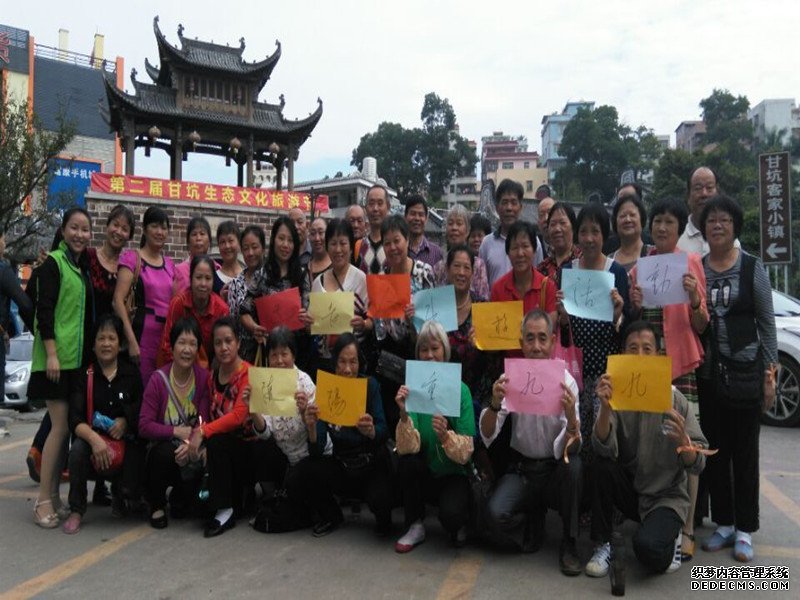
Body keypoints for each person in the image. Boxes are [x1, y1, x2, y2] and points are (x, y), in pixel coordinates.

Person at [586, 320, 709, 576]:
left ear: (658, 355)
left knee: (649, 552)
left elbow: (699, 459)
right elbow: (602, 448)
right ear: (622, 354)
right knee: (599, 465)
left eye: (647, 349)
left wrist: (683, 444)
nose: (640, 355)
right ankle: (603, 544)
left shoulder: (675, 399)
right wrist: (605, 409)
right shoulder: (614, 396)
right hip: (631, 490)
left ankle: (671, 535)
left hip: (665, 497)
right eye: (632, 348)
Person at [697, 195, 777, 563]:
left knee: (745, 454)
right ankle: (724, 523)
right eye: (711, 220)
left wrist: (770, 374)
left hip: (746, 372)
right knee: (717, 452)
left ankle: (745, 527)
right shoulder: (698, 268)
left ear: (734, 227)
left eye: (724, 220)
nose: (717, 225)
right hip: (712, 375)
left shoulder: (751, 267)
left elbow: (767, 323)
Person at [629, 198, 709, 560]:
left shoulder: (690, 263)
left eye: (669, 223)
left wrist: (694, 299)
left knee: (687, 442)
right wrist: (630, 302)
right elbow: (633, 321)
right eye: (657, 221)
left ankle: (688, 525)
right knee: (649, 440)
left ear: (679, 229)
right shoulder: (642, 266)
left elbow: (702, 324)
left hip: (680, 364)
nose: (662, 228)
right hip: (647, 366)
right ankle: (653, 511)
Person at [481, 309, 582, 575]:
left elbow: (572, 447)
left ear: (552, 341)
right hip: (523, 470)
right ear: (521, 341)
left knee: (574, 468)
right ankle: (529, 523)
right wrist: (493, 403)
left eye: (542, 338)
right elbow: (488, 433)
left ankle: (569, 543)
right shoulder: (510, 378)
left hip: (554, 470)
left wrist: (572, 419)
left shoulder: (566, 382)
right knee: (493, 515)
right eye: (529, 339)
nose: (536, 346)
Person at [30, 208, 94, 528]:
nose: (80, 234)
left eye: (85, 230)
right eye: (74, 228)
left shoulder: (79, 268)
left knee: (65, 428)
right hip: (55, 360)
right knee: (58, 428)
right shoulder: (53, 263)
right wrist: (51, 352)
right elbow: (44, 310)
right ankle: (42, 500)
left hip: (73, 361)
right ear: (64, 230)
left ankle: (54, 496)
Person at [293, 334, 392, 536]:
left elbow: (384, 432)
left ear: (360, 363)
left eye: (353, 362)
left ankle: (383, 517)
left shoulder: (369, 386)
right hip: (342, 465)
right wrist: (311, 426)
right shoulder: (327, 390)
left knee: (381, 500)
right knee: (303, 471)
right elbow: (316, 451)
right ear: (335, 363)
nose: (347, 369)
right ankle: (331, 515)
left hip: (370, 463)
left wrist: (371, 431)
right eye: (342, 362)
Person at [558, 204, 630, 469]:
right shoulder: (567, 271)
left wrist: (618, 315)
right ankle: (582, 499)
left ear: (604, 235)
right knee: (578, 431)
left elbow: (626, 326)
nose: (588, 238)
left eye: (595, 231)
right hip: (574, 367)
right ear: (577, 235)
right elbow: (562, 333)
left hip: (606, 369)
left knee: (604, 433)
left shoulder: (616, 272)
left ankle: (602, 502)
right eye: (583, 231)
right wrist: (563, 319)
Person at [394, 321, 475, 552]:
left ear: (445, 351)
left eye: (435, 348)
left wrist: (445, 437)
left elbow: (467, 451)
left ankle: (459, 520)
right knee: (407, 463)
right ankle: (415, 525)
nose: (429, 355)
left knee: (452, 519)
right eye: (424, 349)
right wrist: (403, 413)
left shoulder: (461, 390)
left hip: (453, 473)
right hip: (425, 470)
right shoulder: (413, 389)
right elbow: (407, 448)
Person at [63, 314, 144, 534]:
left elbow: (141, 412)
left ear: (120, 344)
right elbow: (75, 419)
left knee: (140, 448)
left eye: (111, 338)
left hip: (124, 444)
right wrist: (95, 440)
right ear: (93, 343)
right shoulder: (85, 374)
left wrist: (125, 421)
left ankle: (123, 493)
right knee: (78, 448)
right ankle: (77, 509)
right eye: (101, 338)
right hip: (94, 446)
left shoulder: (131, 374)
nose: (106, 343)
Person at [250, 326, 330, 532]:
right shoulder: (266, 383)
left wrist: (305, 412)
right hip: (286, 455)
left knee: (298, 478)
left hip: (310, 455)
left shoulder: (304, 382)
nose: (279, 360)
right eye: (274, 355)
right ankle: (275, 497)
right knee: (259, 449)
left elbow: (317, 435)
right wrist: (253, 410)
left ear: (293, 355)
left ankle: (307, 503)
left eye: (284, 354)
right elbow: (265, 432)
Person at [139, 318, 210, 529]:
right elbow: (144, 425)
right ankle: (156, 504)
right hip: (165, 451)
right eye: (182, 343)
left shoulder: (203, 377)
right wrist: (176, 431)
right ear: (172, 345)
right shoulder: (158, 380)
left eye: (192, 344)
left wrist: (190, 443)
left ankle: (180, 497)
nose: (187, 349)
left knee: (191, 510)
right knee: (163, 454)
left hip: (190, 451)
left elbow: (204, 420)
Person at [186, 317, 252, 537]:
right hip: (219, 451)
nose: (223, 347)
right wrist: (198, 435)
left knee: (218, 440)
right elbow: (206, 413)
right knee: (190, 510)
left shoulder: (248, 373)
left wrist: (204, 432)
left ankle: (226, 511)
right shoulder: (213, 376)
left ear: (238, 343)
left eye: (228, 341)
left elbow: (238, 416)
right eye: (218, 343)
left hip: (247, 447)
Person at [375, 215, 435, 430]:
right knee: (395, 418)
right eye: (387, 243)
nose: (392, 247)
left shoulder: (423, 272)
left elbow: (434, 323)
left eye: (397, 240)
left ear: (407, 240)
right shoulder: (381, 277)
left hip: (419, 354)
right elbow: (379, 331)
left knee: (418, 419)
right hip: (391, 361)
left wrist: (415, 320)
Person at [113, 206, 175, 389]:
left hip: (164, 340)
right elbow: (118, 301)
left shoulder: (170, 265)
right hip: (141, 337)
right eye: (155, 226)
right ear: (145, 229)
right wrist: (131, 341)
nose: (159, 232)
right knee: (140, 391)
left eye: (164, 228)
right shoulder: (132, 259)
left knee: (161, 392)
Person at [239, 217, 311, 366]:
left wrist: (307, 318)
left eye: (290, 240)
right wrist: (254, 328)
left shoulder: (303, 274)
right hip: (269, 352)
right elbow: (243, 310)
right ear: (273, 240)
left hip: (297, 353)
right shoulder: (262, 274)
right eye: (281, 238)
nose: (285, 245)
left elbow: (309, 315)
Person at [310, 219, 371, 365]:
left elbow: (373, 321)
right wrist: (307, 322)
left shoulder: (361, 279)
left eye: (343, 243)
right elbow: (313, 326)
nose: (338, 250)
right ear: (327, 247)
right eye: (333, 243)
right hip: (324, 362)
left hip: (351, 363)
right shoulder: (318, 282)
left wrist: (363, 324)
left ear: (351, 247)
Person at [159, 256, 229, 368]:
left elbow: (223, 350)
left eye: (208, 278)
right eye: (198, 277)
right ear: (190, 279)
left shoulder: (222, 310)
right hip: (178, 368)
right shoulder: (178, 303)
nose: (203, 284)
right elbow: (167, 345)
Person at [491, 220, 558, 330]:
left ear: (534, 250)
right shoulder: (498, 289)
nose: (520, 253)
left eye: (525, 246)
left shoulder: (548, 287)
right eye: (515, 248)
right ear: (508, 253)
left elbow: (549, 333)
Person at [86, 205, 136, 318]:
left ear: (129, 236)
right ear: (107, 226)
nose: (118, 232)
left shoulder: (126, 269)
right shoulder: (88, 257)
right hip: (85, 331)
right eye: (115, 225)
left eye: (124, 229)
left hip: (114, 334)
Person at [433, 204, 490, 301]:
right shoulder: (438, 267)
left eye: (459, 224)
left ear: (467, 231)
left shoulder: (478, 265)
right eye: (450, 223)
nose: (454, 228)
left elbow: (484, 302)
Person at [227, 225, 266, 362]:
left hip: (269, 351)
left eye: (255, 247)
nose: (250, 253)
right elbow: (232, 322)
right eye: (245, 248)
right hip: (243, 355)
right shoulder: (235, 284)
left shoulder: (272, 277)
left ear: (263, 248)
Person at [479, 179, 525, 287]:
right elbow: (482, 284)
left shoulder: (533, 243)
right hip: (495, 303)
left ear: (520, 208)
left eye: (514, 203)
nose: (509, 208)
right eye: (504, 202)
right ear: (497, 208)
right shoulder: (486, 243)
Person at [537, 202, 582, 285]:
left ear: (573, 226)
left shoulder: (584, 262)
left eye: (562, 223)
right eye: (553, 224)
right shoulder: (542, 268)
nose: (557, 229)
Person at [608, 190, 651, 273]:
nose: (628, 220)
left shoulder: (654, 254)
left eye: (632, 215)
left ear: (641, 219)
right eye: (623, 216)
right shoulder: (608, 262)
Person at [173, 216, 214, 295]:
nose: (198, 238)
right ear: (188, 242)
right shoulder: (179, 270)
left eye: (202, 234)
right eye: (194, 234)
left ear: (209, 240)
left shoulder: (217, 268)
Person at [405, 195, 443, 269]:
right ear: (405, 216)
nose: (417, 218)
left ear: (426, 218)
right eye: (413, 214)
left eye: (421, 214)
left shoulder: (436, 253)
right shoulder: (397, 251)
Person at [359, 184, 390, 274]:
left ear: (388, 207)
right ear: (365, 208)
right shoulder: (359, 247)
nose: (375, 209)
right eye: (371, 204)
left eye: (380, 203)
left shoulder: (395, 246)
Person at [214, 220, 243, 296]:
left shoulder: (247, 277)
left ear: (239, 243)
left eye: (231, 241)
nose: (227, 246)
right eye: (222, 242)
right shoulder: (213, 279)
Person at [307, 217, 332, 283]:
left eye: (321, 233)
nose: (317, 238)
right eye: (313, 233)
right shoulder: (304, 269)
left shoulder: (337, 265)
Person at [536, 196, 555, 260]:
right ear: (538, 223)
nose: (546, 219)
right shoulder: (534, 246)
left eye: (550, 213)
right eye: (541, 215)